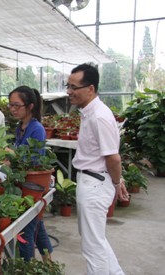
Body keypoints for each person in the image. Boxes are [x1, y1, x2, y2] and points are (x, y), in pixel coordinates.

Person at [67, 63, 128, 275]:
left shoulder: (99, 116)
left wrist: (116, 182)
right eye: (68, 86)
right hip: (92, 181)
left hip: (95, 184)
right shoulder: (89, 112)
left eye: (74, 87)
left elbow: (113, 158)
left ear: (90, 89)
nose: (69, 92)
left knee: (92, 248)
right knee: (96, 241)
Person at [8, 85, 53, 262]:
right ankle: (48, 264)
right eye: (10, 105)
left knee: (26, 228)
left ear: (30, 106)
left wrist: (11, 155)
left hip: (32, 187)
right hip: (23, 185)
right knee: (37, 225)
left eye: (16, 105)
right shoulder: (20, 127)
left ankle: (26, 267)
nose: (12, 109)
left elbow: (34, 161)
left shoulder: (37, 129)